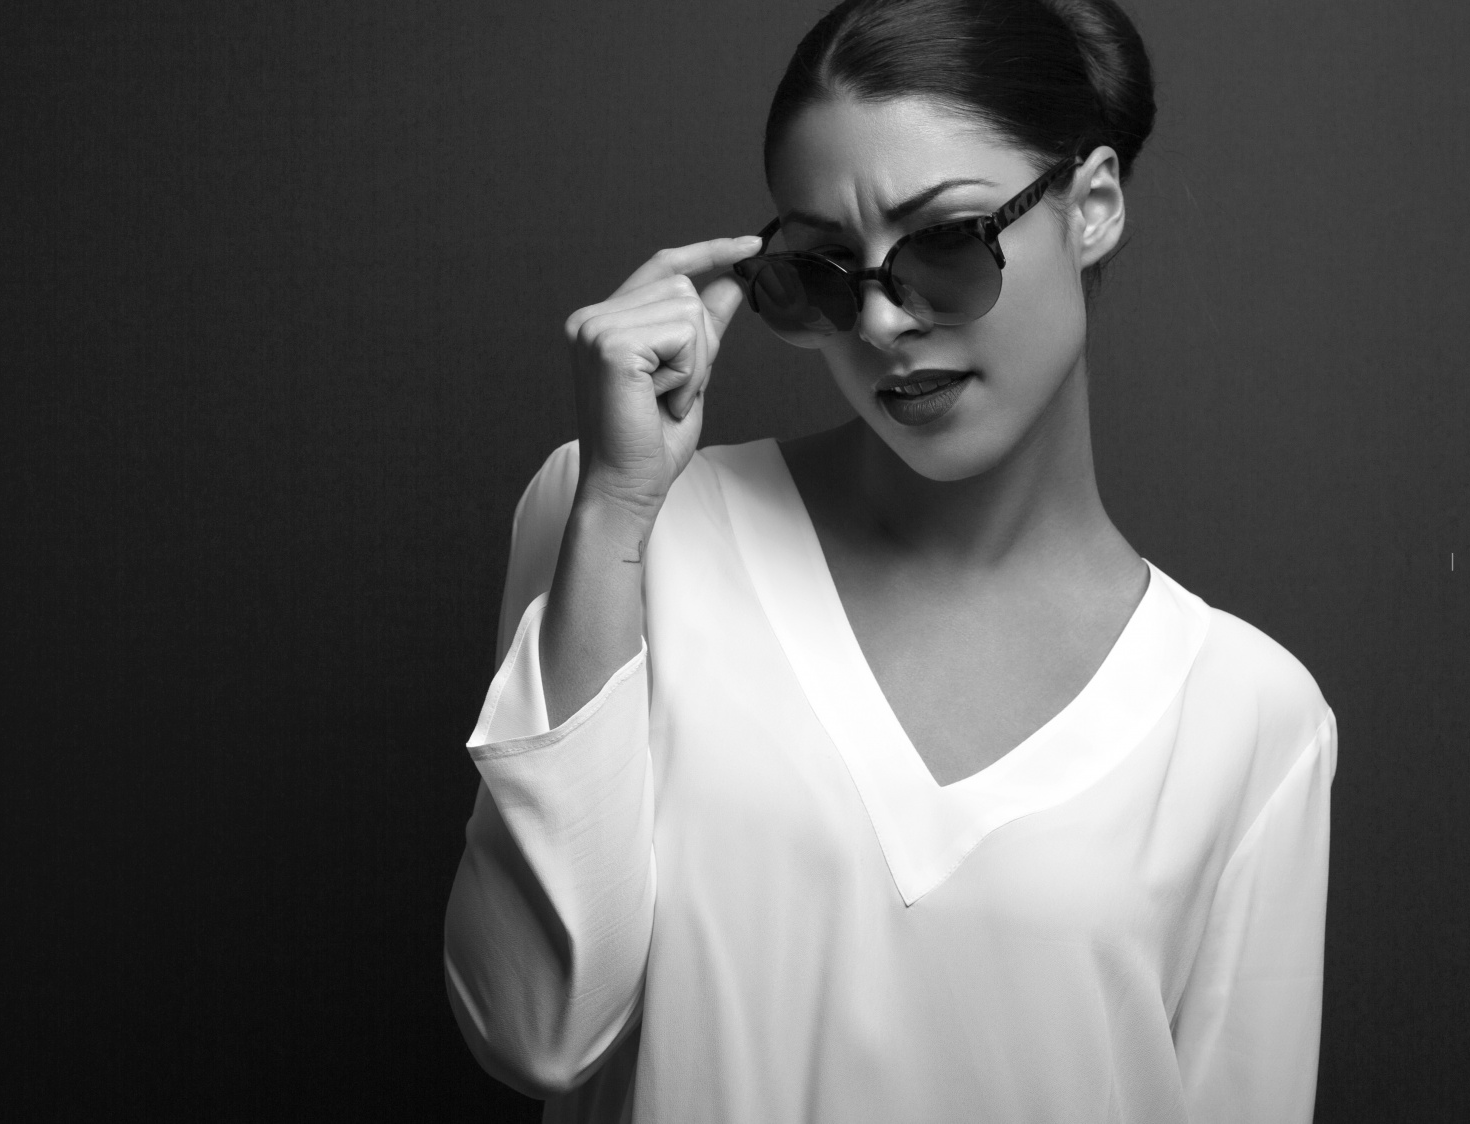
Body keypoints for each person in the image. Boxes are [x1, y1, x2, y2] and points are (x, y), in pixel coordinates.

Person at [443, 1, 1337, 1120]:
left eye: (946, 246)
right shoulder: (630, 528)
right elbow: (534, 1030)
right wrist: (615, 509)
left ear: (1093, 207)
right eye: (821, 270)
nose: (879, 322)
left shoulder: (1250, 718)